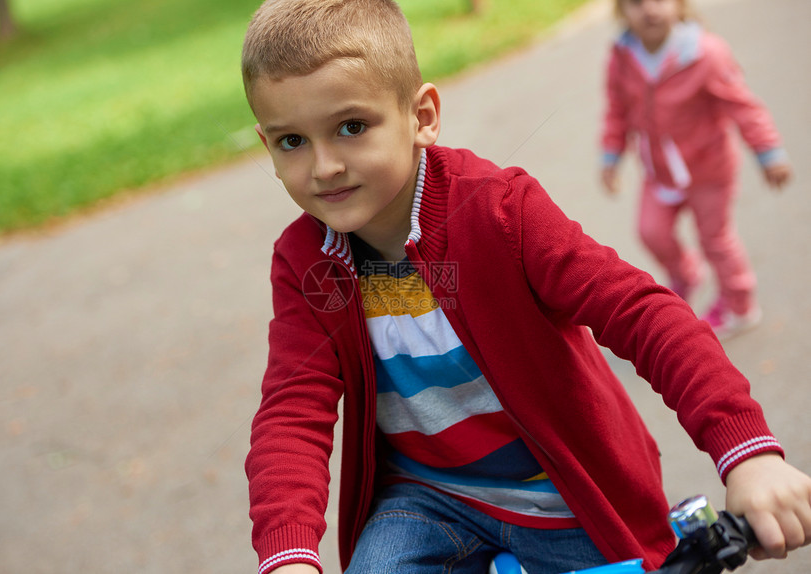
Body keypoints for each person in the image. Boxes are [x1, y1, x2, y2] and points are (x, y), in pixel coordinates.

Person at [241, 1, 811, 573]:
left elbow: (642, 314)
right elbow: (291, 411)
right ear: (268, 145)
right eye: (293, 141)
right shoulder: (305, 262)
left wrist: (747, 454)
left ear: (423, 117)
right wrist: (288, 555)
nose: (324, 167)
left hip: (563, 495)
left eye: (351, 127)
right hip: (424, 499)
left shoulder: (499, 211)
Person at [599, 0, 793, 340]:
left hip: (709, 171)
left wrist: (769, 152)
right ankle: (686, 274)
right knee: (651, 232)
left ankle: (740, 305)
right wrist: (610, 157)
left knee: (715, 240)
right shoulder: (622, 57)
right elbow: (616, 110)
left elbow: (743, 106)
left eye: (659, 0)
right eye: (635, 3)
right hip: (659, 172)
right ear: (620, 11)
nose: (649, 10)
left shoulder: (706, 54)